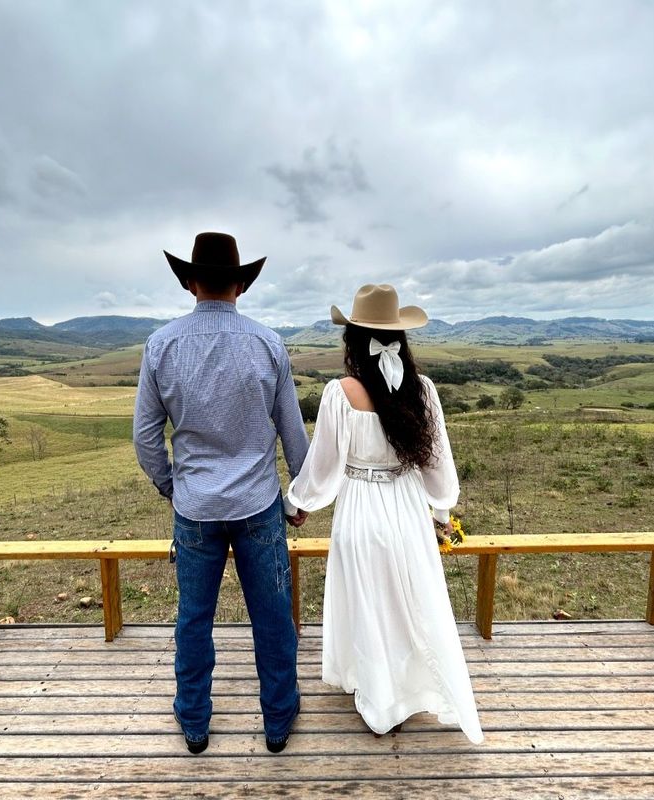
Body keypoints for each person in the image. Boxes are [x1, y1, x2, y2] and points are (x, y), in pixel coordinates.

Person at [133, 232, 310, 755]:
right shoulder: (268, 343)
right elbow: (292, 432)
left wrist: (172, 487)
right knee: (273, 619)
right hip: (258, 505)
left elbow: (145, 437)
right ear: (241, 285)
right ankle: (278, 720)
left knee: (193, 619)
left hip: (195, 508)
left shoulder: (161, 345)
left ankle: (194, 723)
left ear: (190, 283)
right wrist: (299, 496)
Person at [285, 284, 484, 743]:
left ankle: (380, 700)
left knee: (370, 604)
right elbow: (438, 464)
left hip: (360, 509)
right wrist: (441, 512)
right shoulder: (422, 389)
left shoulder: (340, 393)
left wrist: (297, 503)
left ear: (352, 340)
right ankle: (410, 690)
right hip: (408, 509)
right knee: (411, 601)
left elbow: (322, 467)